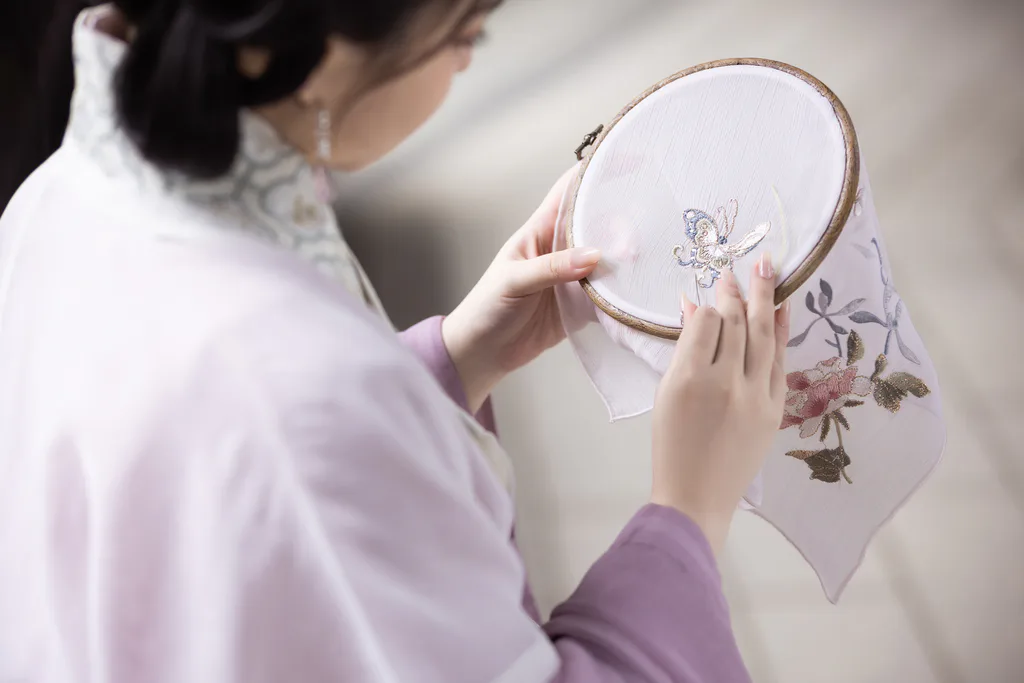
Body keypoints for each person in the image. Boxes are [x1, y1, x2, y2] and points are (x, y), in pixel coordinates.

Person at [0, 1, 791, 681]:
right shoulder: (298, 398)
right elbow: (294, 441)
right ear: (322, 47)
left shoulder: (54, 201)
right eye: (464, 35)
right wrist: (689, 505)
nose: (463, 64)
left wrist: (459, 359)